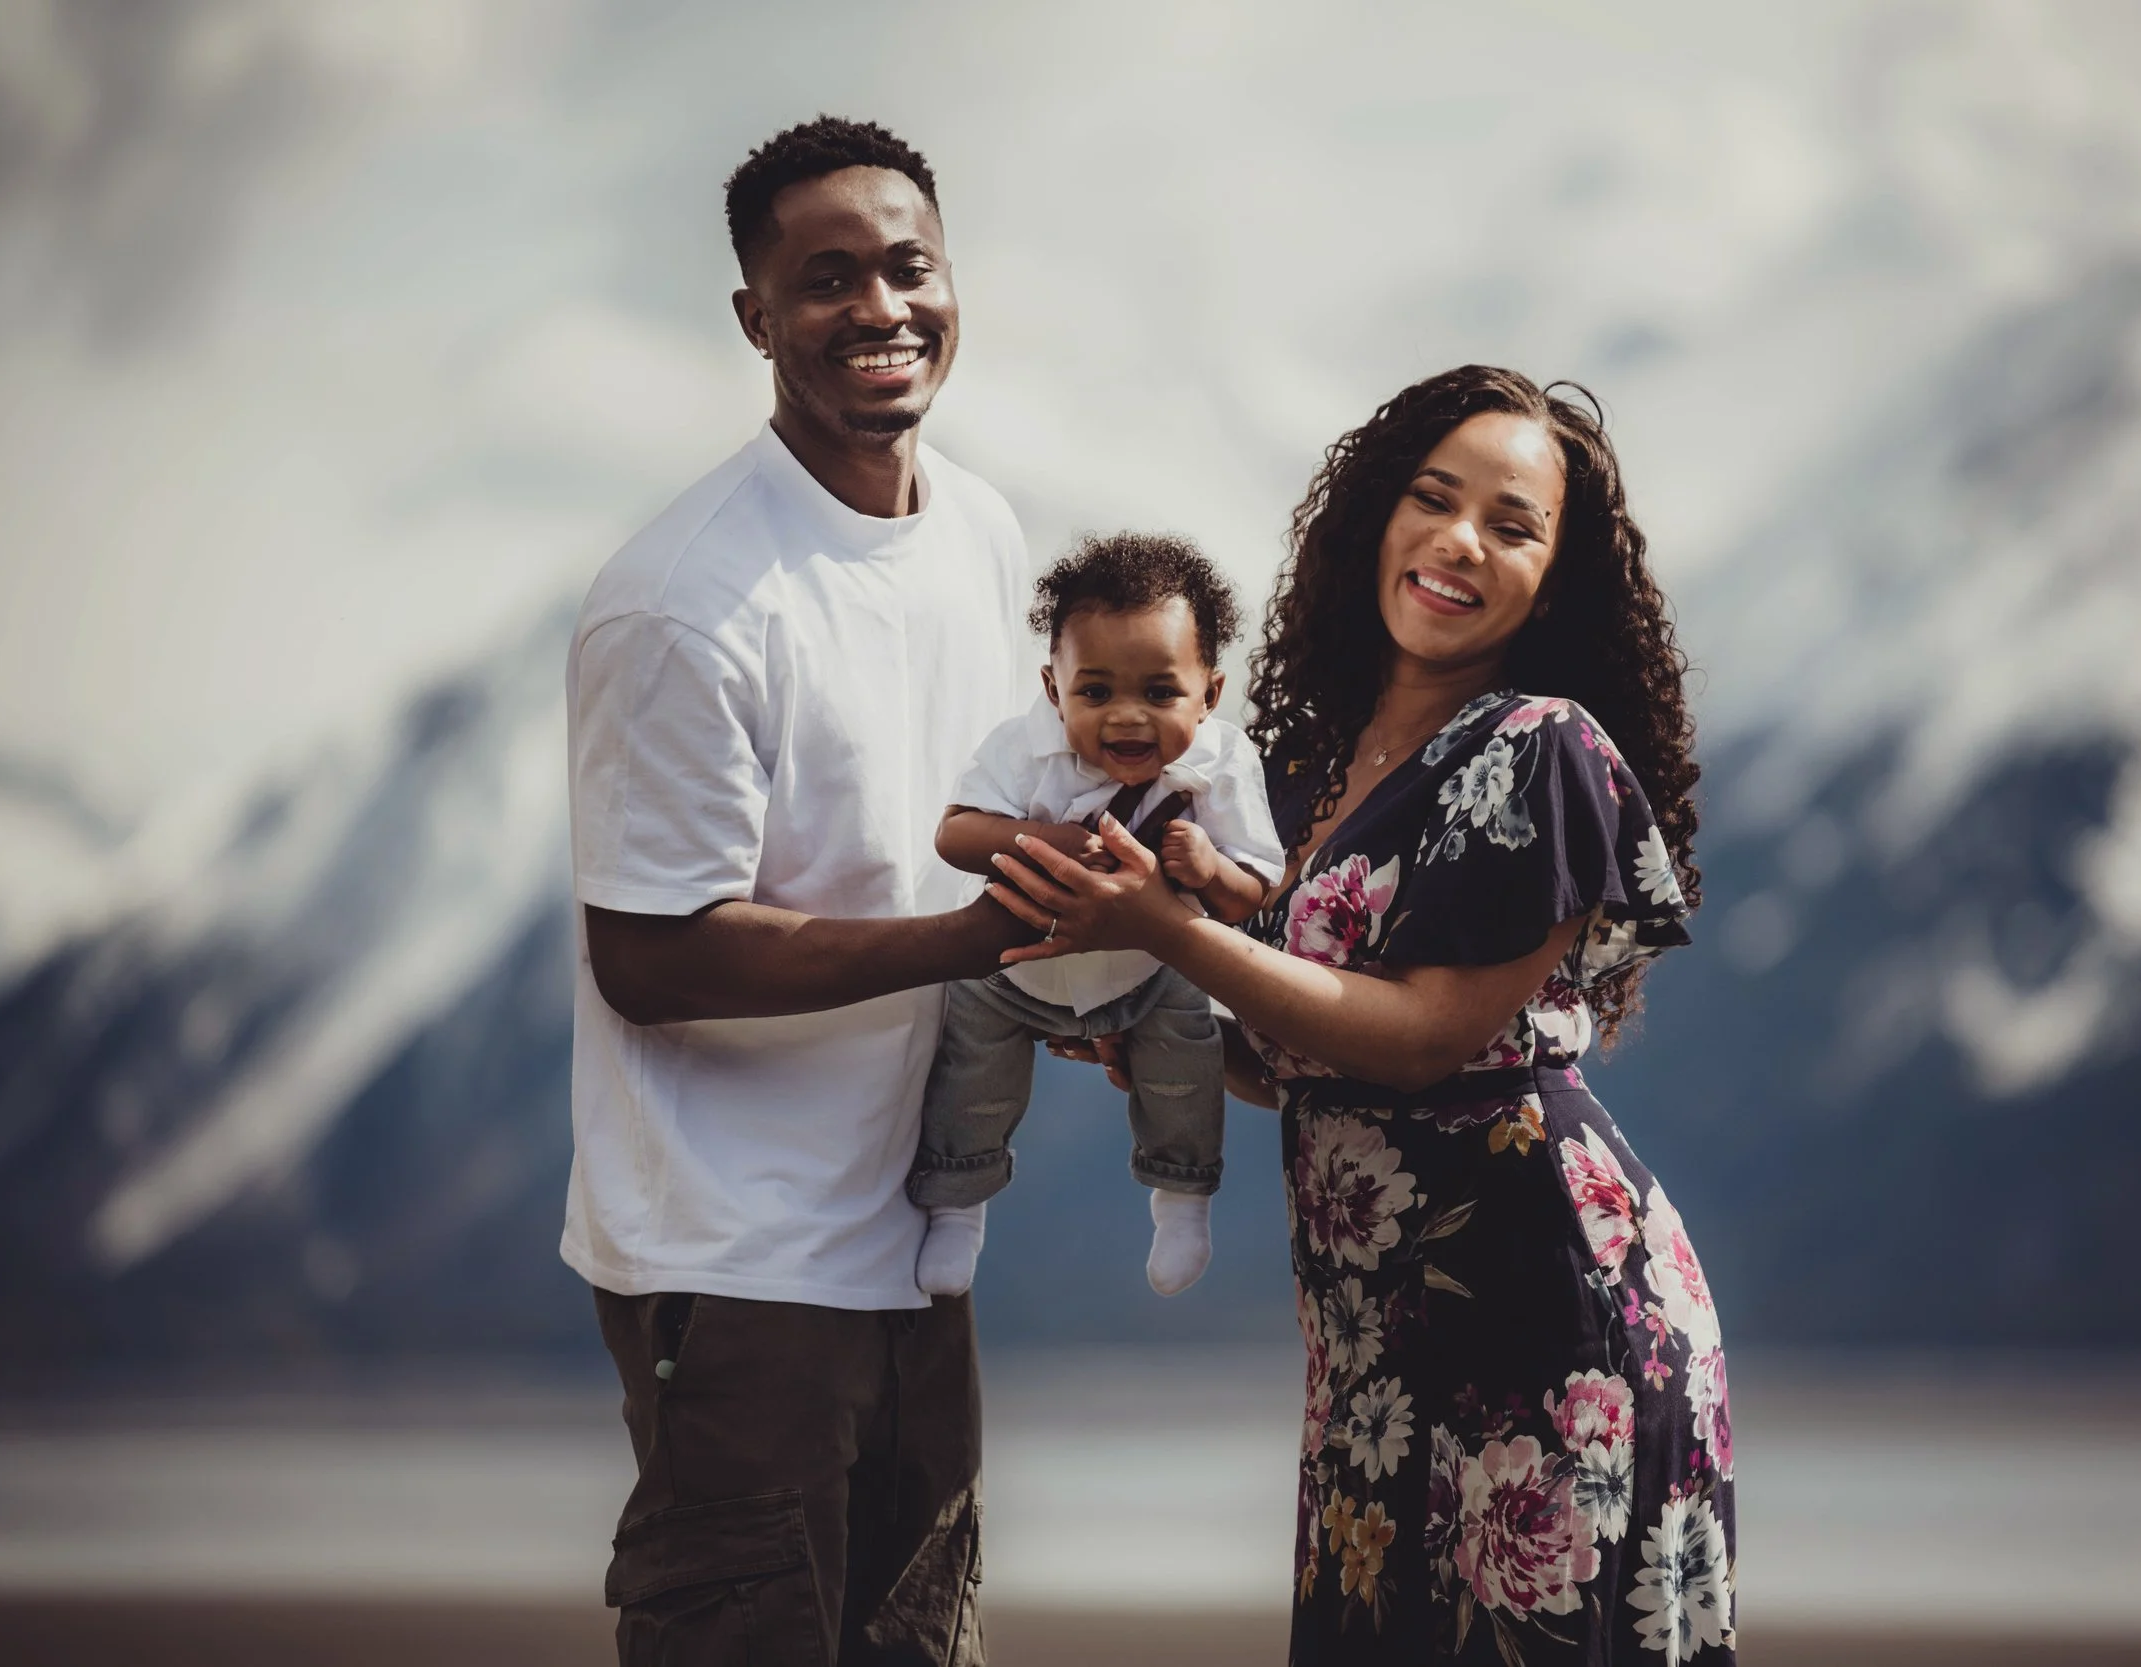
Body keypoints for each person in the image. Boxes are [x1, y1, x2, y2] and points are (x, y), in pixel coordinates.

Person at [996, 367, 1733, 1664]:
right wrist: (1162, 1031)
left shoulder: (1542, 748)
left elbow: (1427, 1036)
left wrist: (1175, 932)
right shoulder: (1304, 760)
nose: (1459, 540)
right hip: (1372, 1343)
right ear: (1372, 519)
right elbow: (1319, 1054)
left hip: (1546, 1309)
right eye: (1433, 498)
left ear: (1552, 579)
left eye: (1512, 524)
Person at [563, 116, 1026, 1666]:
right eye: (826, 279)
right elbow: (648, 952)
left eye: (909, 266)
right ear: (755, 315)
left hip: (915, 1243)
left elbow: (977, 821)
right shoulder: (682, 599)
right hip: (740, 1261)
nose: (880, 307)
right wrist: (963, 940)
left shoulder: (983, 532)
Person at [909, 532, 1285, 1299]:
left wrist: (1209, 868)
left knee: (1187, 1062)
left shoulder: (1223, 763)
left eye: (1159, 692)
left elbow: (1255, 889)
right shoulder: (1023, 749)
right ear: (1053, 688)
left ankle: (1182, 1201)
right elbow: (955, 832)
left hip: (1149, 972)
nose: (1127, 717)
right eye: (1096, 692)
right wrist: (1050, 840)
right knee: (970, 1072)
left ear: (1210, 694)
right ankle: (959, 1205)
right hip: (1018, 968)